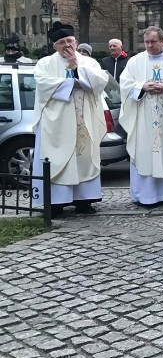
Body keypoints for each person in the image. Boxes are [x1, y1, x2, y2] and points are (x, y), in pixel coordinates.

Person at [32, 22, 109, 217]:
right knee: (58, 160)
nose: (67, 45)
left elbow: (100, 81)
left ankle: (84, 201)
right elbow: (42, 85)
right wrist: (72, 82)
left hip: (83, 120)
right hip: (56, 123)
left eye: (70, 41)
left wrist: (77, 68)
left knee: (83, 157)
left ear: (76, 42)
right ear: (55, 46)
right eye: (62, 42)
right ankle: (56, 203)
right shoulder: (45, 63)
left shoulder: (88, 62)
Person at [119, 26, 163, 205]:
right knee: (145, 153)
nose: (149, 45)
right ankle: (146, 196)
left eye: (153, 42)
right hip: (144, 118)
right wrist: (142, 87)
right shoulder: (135, 61)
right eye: (146, 42)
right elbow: (125, 83)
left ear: (162, 41)